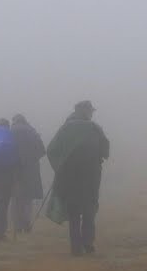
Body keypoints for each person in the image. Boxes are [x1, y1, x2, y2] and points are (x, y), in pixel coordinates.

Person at [46, 101, 110, 255]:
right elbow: (105, 152)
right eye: (91, 111)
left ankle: (75, 247)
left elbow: (51, 150)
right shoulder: (95, 128)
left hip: (69, 176)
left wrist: (59, 167)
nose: (92, 113)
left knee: (74, 210)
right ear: (86, 111)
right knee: (89, 209)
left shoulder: (65, 128)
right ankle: (88, 243)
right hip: (91, 176)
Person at [10, 114, 46, 233]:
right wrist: (31, 159)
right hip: (31, 170)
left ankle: (17, 225)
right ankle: (26, 223)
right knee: (27, 197)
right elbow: (42, 150)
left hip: (14, 169)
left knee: (16, 197)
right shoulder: (32, 131)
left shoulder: (11, 131)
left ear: (14, 121)